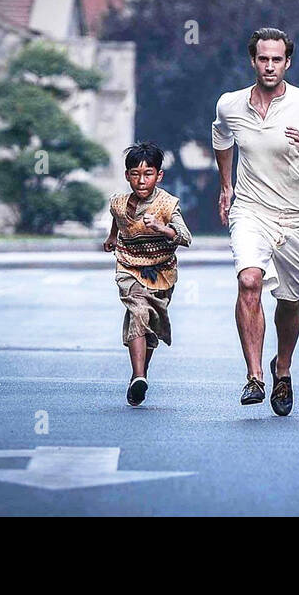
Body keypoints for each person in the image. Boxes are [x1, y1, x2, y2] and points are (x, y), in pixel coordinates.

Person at [211, 28, 299, 416]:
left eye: (277, 59)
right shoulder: (231, 105)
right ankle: (255, 375)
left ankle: (282, 369)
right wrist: (227, 186)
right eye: (262, 58)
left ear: (287, 63)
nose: (269, 66)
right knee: (248, 280)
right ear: (252, 61)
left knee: (289, 300)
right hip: (251, 210)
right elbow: (221, 138)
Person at [103, 141, 192, 406]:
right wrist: (111, 237)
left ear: (159, 175)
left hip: (160, 272)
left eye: (148, 174)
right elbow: (117, 218)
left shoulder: (167, 204)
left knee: (150, 325)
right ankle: (140, 375)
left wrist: (162, 228)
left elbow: (186, 237)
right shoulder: (118, 203)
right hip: (129, 266)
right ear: (127, 175)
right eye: (135, 174)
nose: (141, 181)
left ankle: (137, 377)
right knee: (138, 311)